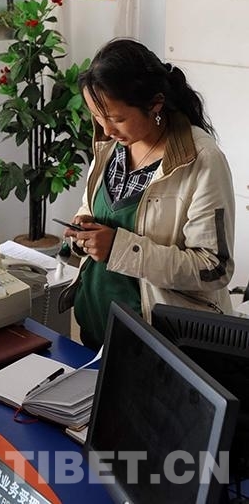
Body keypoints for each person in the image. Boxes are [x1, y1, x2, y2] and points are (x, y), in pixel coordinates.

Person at [59, 38, 235, 351]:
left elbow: (213, 267)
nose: (106, 129)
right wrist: (83, 230)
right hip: (94, 330)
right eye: (97, 117)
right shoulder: (110, 146)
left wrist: (118, 248)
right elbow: (93, 208)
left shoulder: (201, 160)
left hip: (157, 346)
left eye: (117, 118)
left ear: (155, 104)